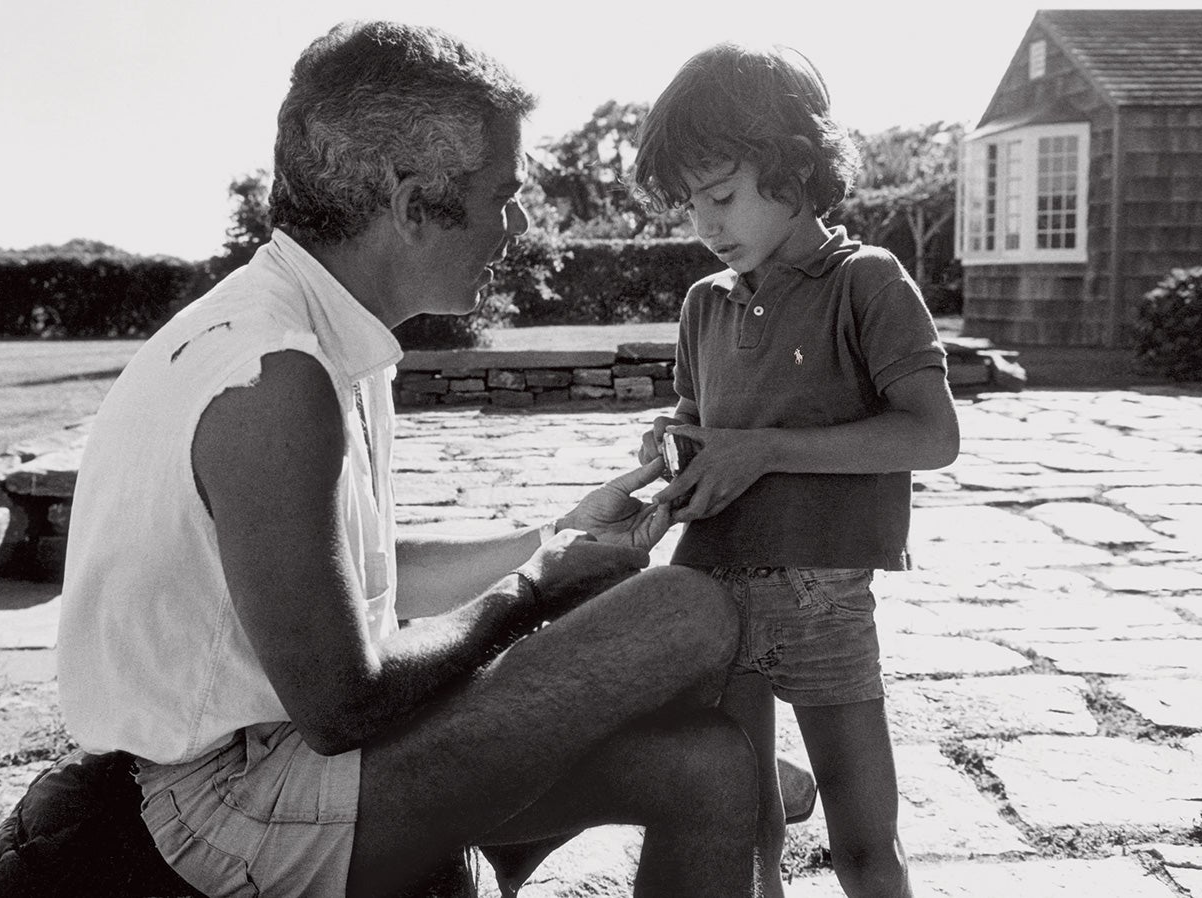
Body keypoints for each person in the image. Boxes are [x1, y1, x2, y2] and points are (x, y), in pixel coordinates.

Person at [57, 21, 764, 898]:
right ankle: (494, 842)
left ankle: (502, 845)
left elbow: (347, 587)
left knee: (708, 767)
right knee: (683, 614)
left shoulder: (317, 328)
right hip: (224, 808)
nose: (517, 226)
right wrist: (536, 590)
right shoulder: (276, 377)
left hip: (278, 762)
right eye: (503, 194)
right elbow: (340, 703)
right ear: (410, 198)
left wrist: (556, 539)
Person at [631, 42, 961, 898]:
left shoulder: (867, 282)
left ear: (796, 167)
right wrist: (670, 453)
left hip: (823, 602)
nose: (705, 225)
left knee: (864, 845)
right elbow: (703, 431)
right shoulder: (704, 302)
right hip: (712, 593)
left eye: (723, 196)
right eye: (690, 204)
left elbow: (932, 435)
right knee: (741, 832)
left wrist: (769, 450)